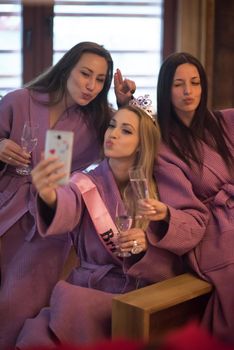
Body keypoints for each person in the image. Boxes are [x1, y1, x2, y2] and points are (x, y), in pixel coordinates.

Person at [15, 99, 185, 348]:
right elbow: (68, 201)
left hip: (139, 296)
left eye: (126, 131)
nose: (113, 134)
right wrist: (49, 194)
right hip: (88, 291)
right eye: (112, 126)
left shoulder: (159, 188)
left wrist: (145, 246)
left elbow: (174, 256)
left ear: (142, 145)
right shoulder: (84, 181)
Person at [0, 41, 136, 349]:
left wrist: (124, 104)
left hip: (48, 220)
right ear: (66, 70)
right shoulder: (19, 101)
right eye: (85, 74)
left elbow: (133, 135)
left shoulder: (99, 120)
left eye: (99, 80)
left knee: (17, 305)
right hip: (5, 203)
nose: (90, 86)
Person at [138, 52, 234, 343]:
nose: (188, 91)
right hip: (213, 233)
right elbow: (184, 208)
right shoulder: (163, 146)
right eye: (179, 84)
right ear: (166, 89)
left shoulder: (223, 122)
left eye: (195, 82)